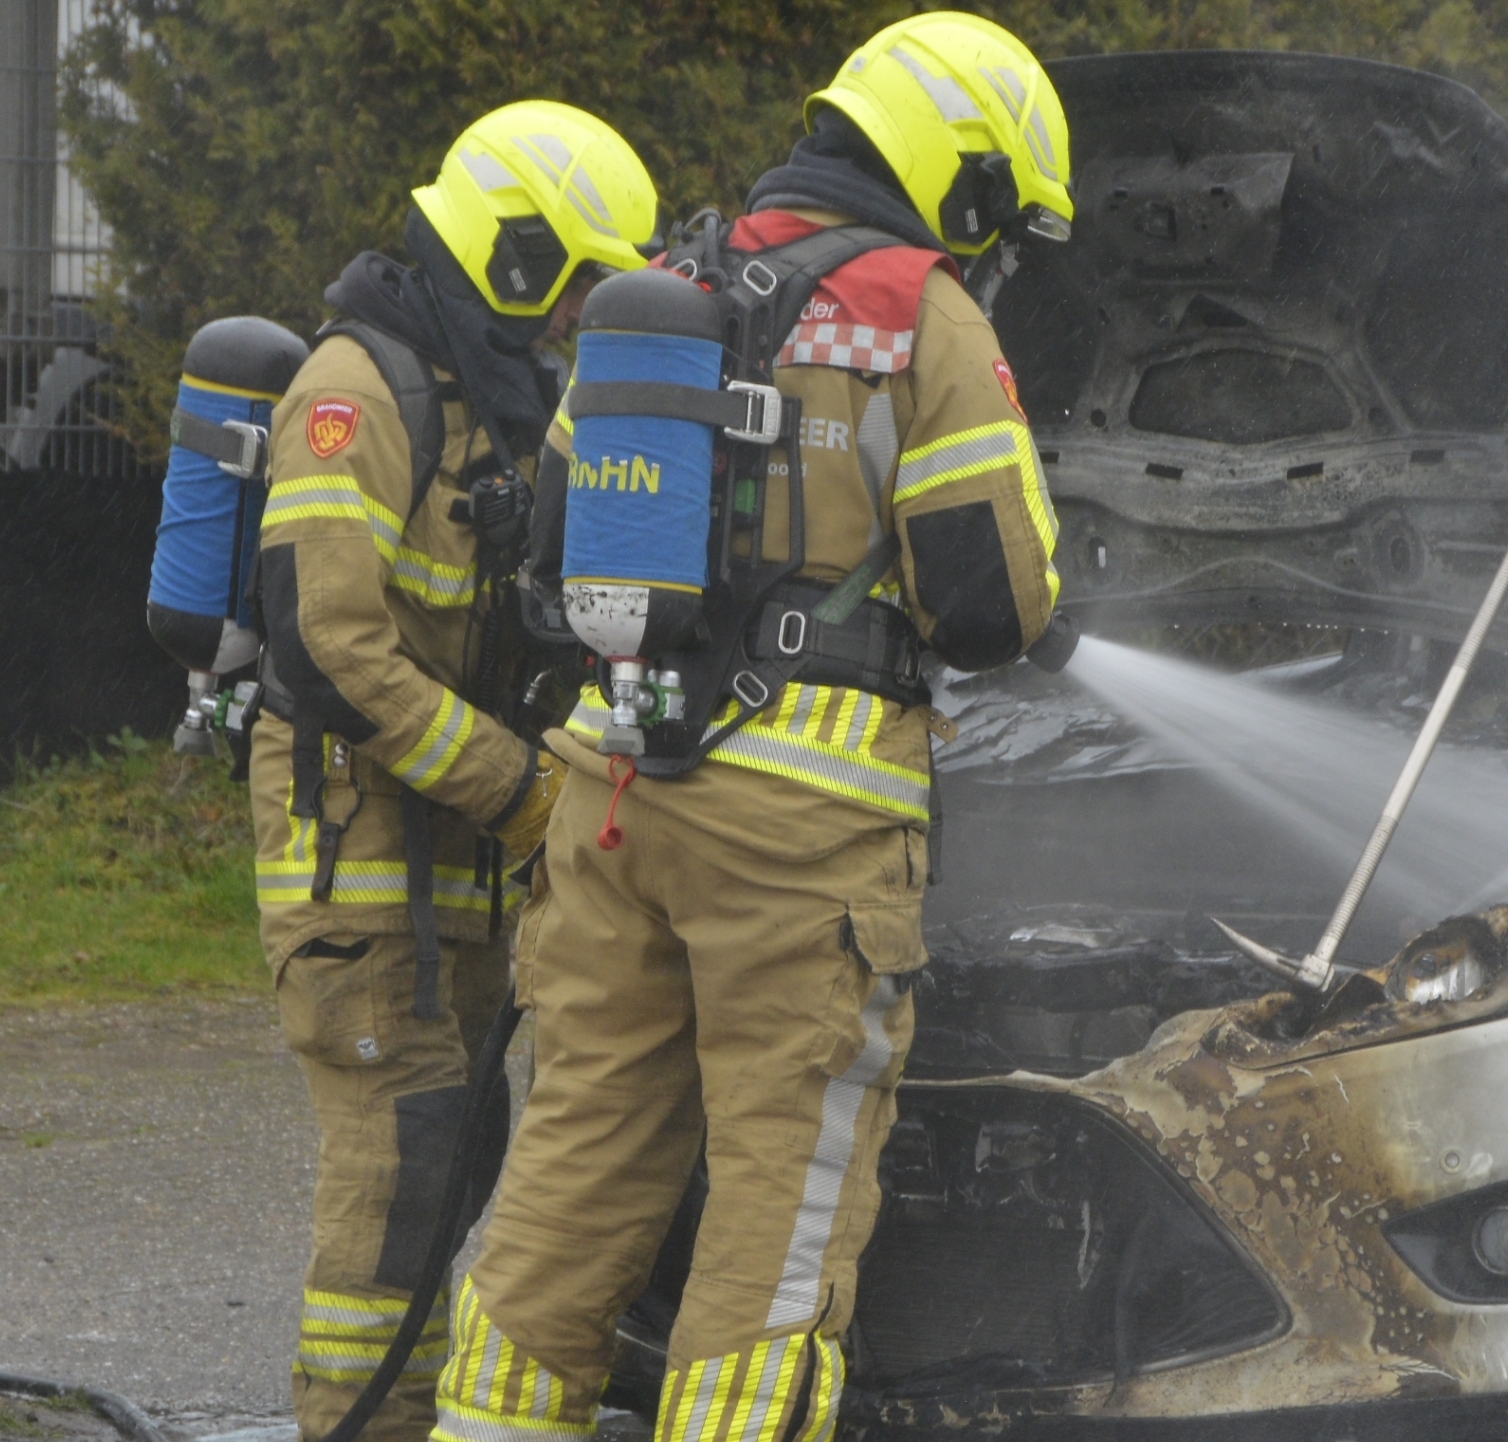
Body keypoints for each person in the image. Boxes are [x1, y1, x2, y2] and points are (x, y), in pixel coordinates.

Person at [430, 15, 1070, 1442]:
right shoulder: (918, 308)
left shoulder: (659, 286)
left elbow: (544, 546)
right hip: (802, 835)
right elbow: (990, 599)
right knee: (782, 1212)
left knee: (575, 1168)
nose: (997, 247)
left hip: (610, 793)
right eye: (1001, 215)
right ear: (958, 173)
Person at [251, 100, 657, 1441]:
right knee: (399, 1174)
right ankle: (357, 1424)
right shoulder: (357, 391)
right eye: (577, 286)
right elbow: (326, 642)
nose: (575, 322)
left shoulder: (491, 408)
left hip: (459, 880)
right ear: (518, 253)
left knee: (454, 1157)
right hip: (362, 871)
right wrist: (526, 791)